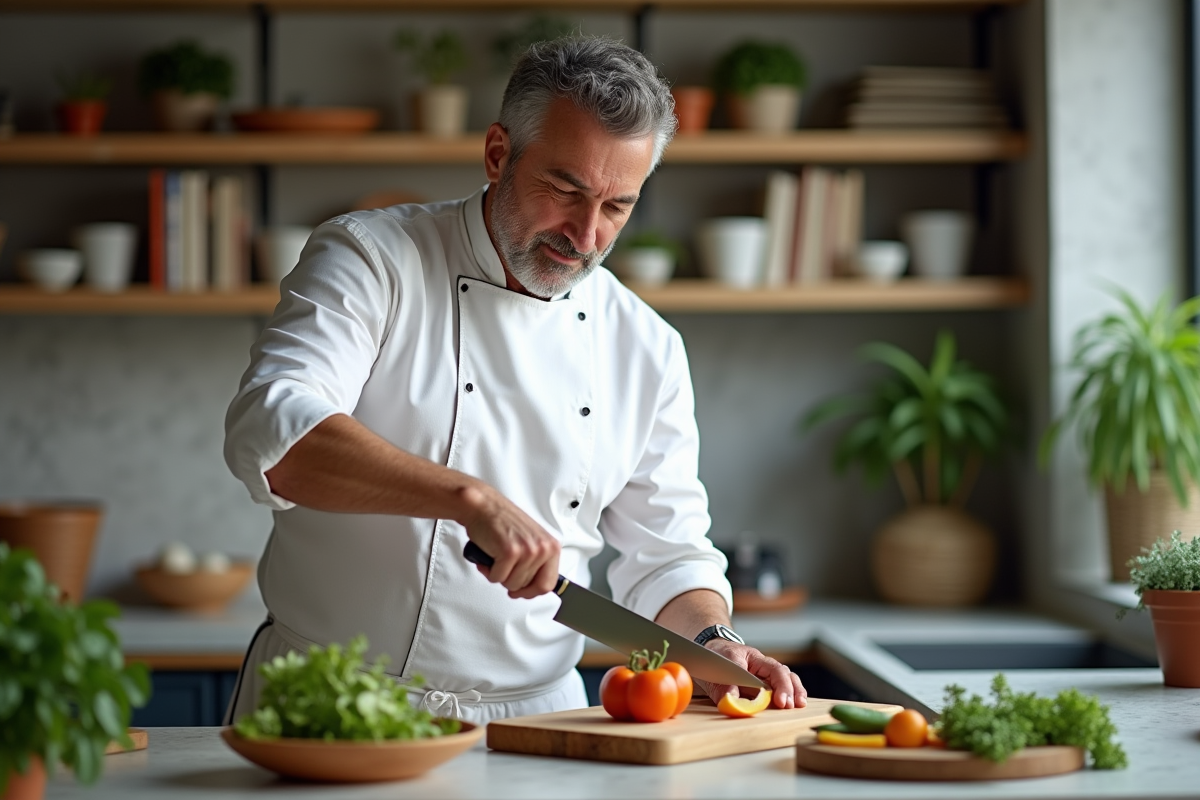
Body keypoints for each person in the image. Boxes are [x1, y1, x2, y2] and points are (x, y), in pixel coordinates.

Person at [222, 35, 806, 726]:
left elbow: (667, 552)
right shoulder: (372, 259)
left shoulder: (645, 344)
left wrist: (714, 641)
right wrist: (467, 498)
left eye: (617, 206)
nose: (586, 236)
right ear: (499, 152)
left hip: (533, 722)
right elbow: (275, 433)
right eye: (566, 190)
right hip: (327, 699)